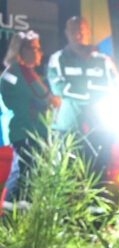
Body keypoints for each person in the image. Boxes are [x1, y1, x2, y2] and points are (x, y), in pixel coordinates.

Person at [46, 16, 119, 180]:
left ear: (88, 31)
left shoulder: (104, 60)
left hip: (99, 127)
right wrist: (93, 93)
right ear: (66, 33)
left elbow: (115, 86)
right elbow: (58, 87)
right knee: (66, 173)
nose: (78, 33)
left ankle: (95, 204)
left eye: (81, 29)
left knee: (99, 171)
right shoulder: (57, 59)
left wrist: (84, 91)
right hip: (69, 128)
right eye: (73, 30)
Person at [1, 30, 59, 202]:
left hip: (24, 132)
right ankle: (11, 218)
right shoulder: (21, 72)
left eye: (38, 48)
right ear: (21, 49)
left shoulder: (14, 72)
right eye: (34, 48)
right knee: (22, 177)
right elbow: (48, 99)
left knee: (24, 176)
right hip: (28, 132)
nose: (39, 52)